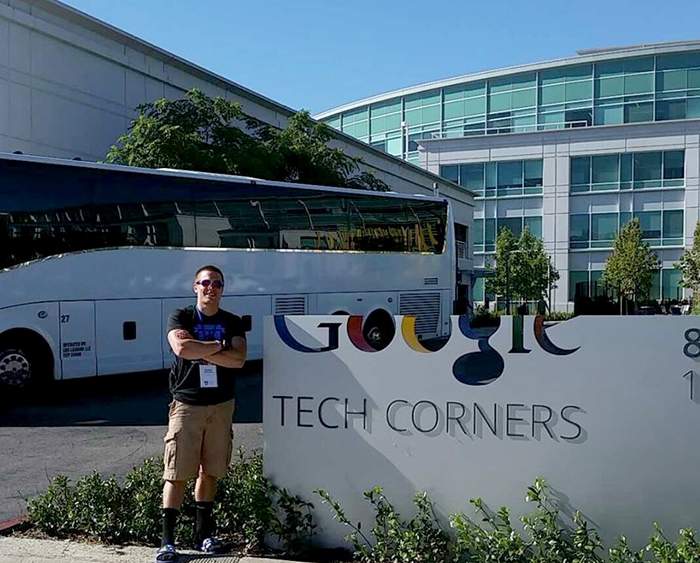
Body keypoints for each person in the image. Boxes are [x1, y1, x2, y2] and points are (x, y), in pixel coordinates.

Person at [156, 265, 247, 562]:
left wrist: (202, 349)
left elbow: (239, 359)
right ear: (195, 286)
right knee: (176, 473)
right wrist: (218, 346)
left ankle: (203, 535)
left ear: (223, 288)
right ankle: (167, 541)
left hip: (221, 405)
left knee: (209, 472)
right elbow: (182, 347)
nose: (211, 288)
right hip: (187, 405)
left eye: (217, 283)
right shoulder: (180, 316)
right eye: (205, 283)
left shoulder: (232, 321)